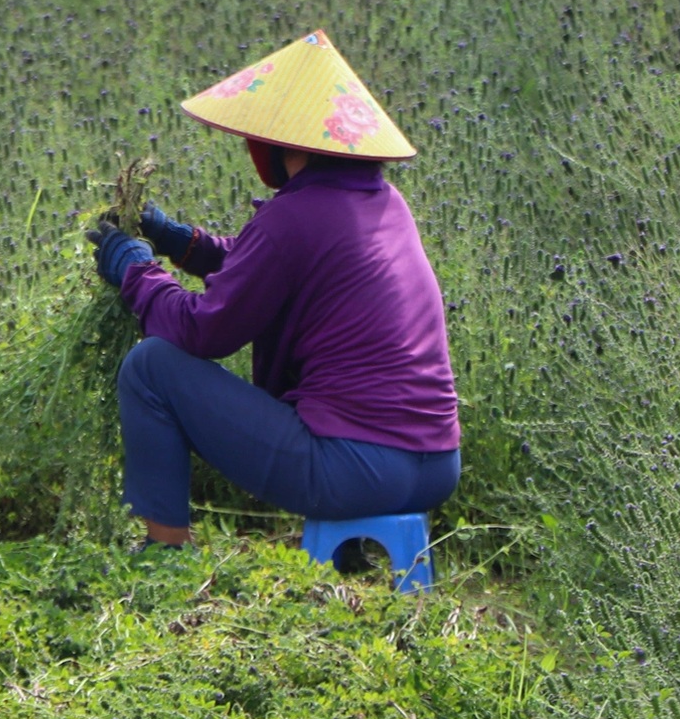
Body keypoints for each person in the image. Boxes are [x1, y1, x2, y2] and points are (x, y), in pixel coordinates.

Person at [86, 30, 461, 549]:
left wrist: (136, 272)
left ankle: (165, 551)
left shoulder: (293, 218)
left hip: (349, 471)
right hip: (437, 468)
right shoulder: (385, 201)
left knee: (151, 367)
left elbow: (202, 330)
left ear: (277, 142)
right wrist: (180, 241)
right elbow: (268, 266)